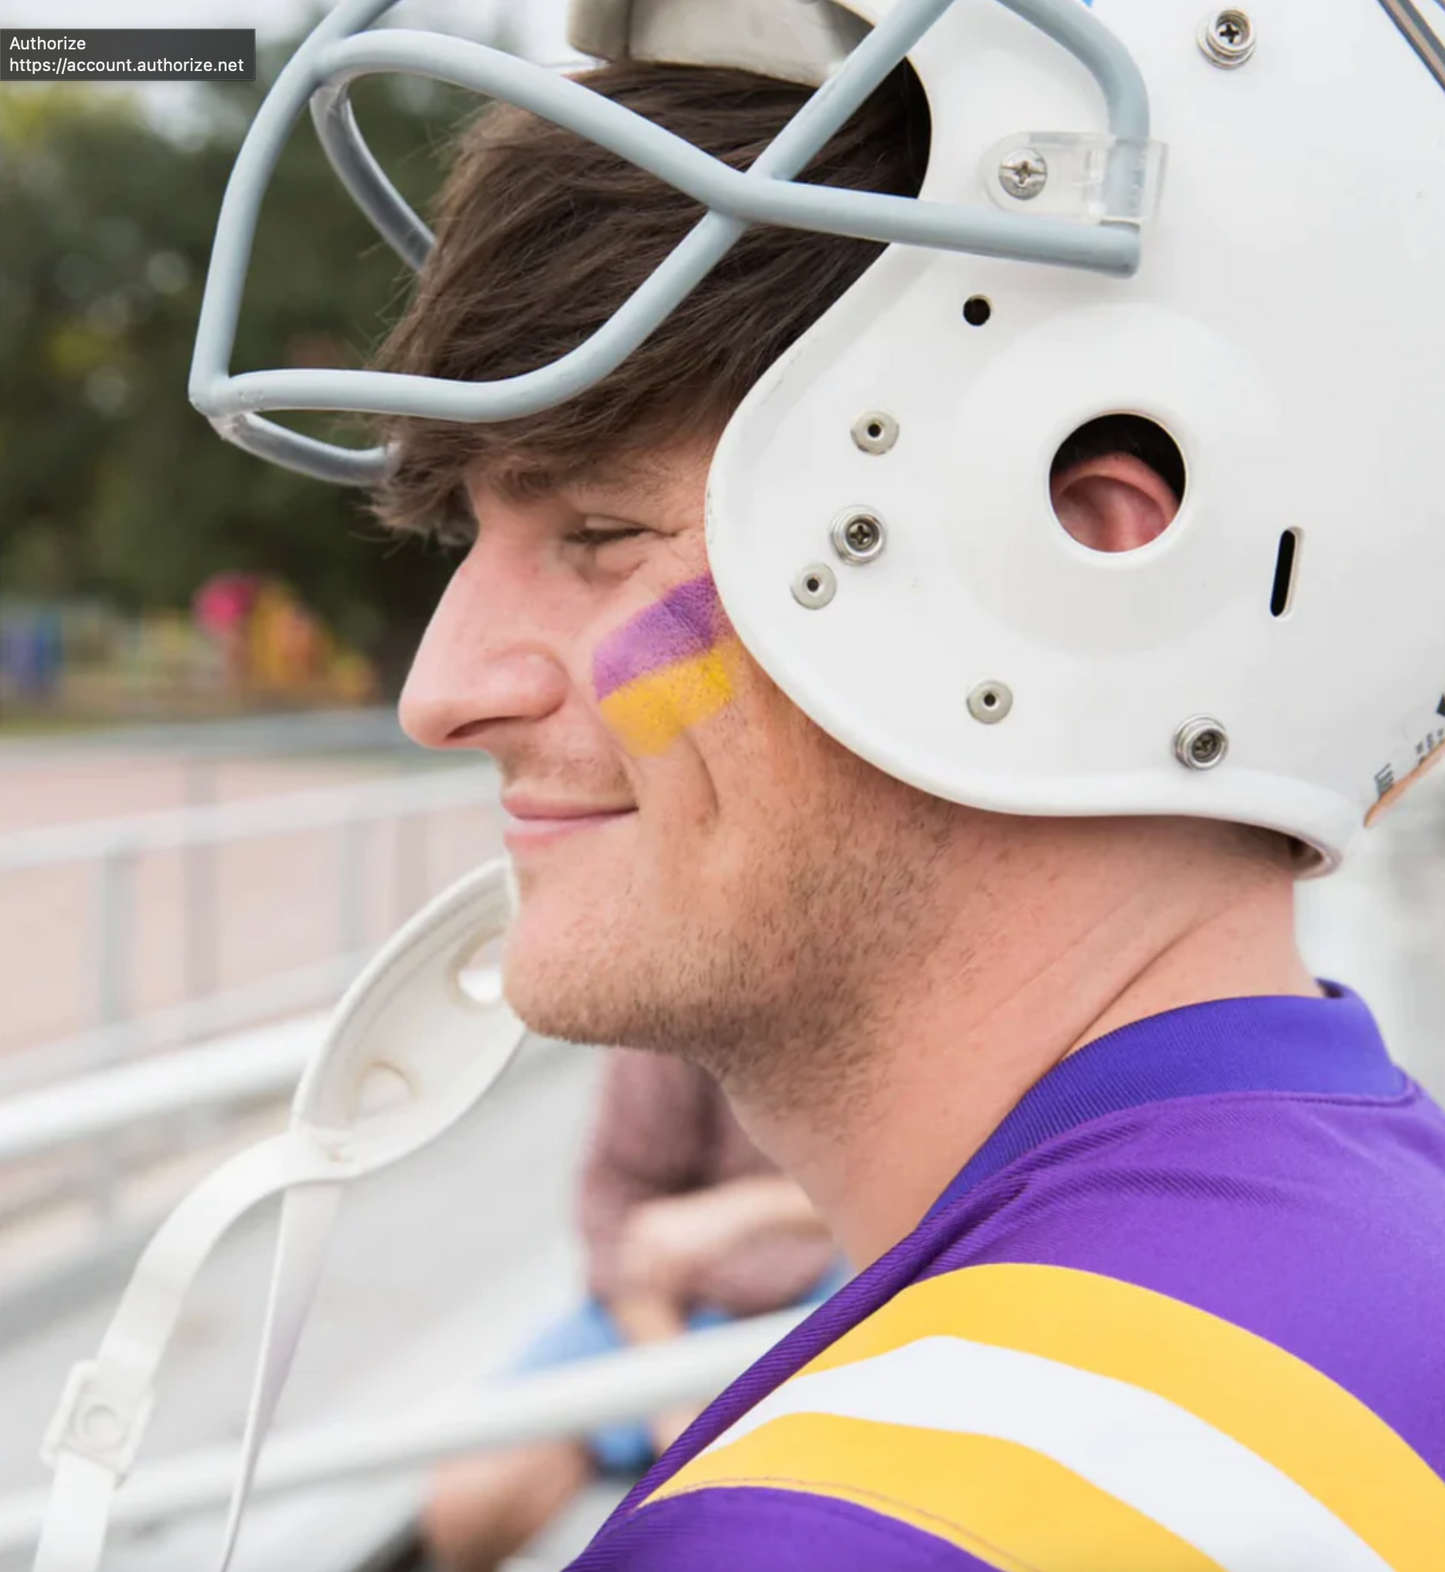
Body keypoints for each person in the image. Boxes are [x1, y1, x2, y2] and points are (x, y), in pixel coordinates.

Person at [184, 0, 1445, 1566]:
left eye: (596, 535)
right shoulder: (1393, 1239)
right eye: (471, 544)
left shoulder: (829, 1532)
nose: (442, 694)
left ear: (1096, 557)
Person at [422, 1047, 844, 1571]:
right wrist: (672, 1387)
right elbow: (614, 1213)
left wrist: (750, 1211)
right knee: (470, 1499)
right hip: (664, 1300)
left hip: (838, 1280)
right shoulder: (662, 1021)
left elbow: (930, 1190)